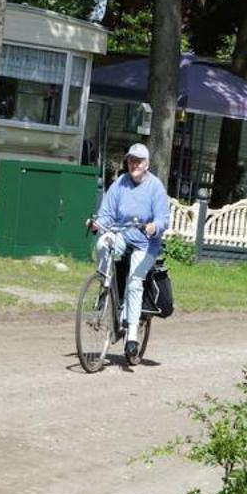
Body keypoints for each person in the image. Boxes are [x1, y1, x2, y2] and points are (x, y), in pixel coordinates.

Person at [94, 142, 171, 366]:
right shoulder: (120, 183)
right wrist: (97, 224)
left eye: (138, 161)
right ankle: (105, 286)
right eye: (130, 160)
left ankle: (132, 337)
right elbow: (106, 214)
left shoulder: (155, 187)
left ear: (147, 164)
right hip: (123, 236)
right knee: (102, 244)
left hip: (146, 244)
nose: (133, 164)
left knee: (135, 282)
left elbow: (163, 219)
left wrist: (153, 227)